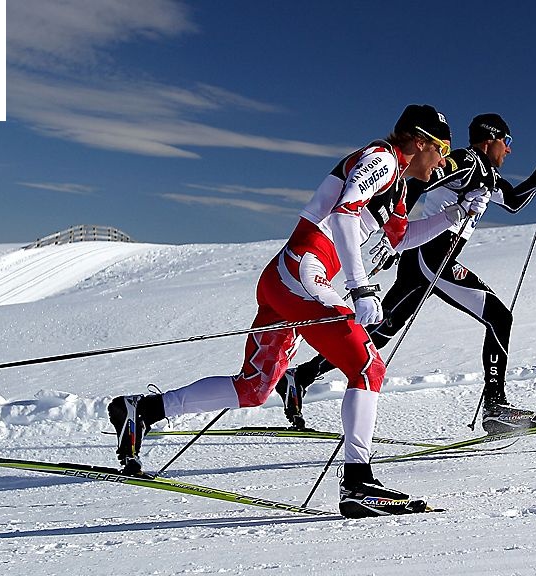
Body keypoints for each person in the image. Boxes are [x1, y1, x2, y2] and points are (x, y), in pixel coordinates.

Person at [107, 104, 489, 518]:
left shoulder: (397, 186)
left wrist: (455, 215)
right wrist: (360, 288)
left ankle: (142, 411)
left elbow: (400, 238)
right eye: (441, 147)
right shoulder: (381, 159)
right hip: (301, 273)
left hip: (286, 278)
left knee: (253, 388)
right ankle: (358, 483)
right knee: (367, 366)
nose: (443, 159)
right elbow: (344, 213)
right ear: (419, 142)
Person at [276, 113, 536, 434]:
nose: (509, 150)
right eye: (507, 142)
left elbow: (514, 202)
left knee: (380, 332)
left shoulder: (487, 175)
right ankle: (496, 406)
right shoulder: (466, 162)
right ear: (491, 140)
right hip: (433, 258)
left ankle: (300, 377)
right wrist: (396, 229)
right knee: (499, 317)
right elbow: (419, 180)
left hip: (427, 262)